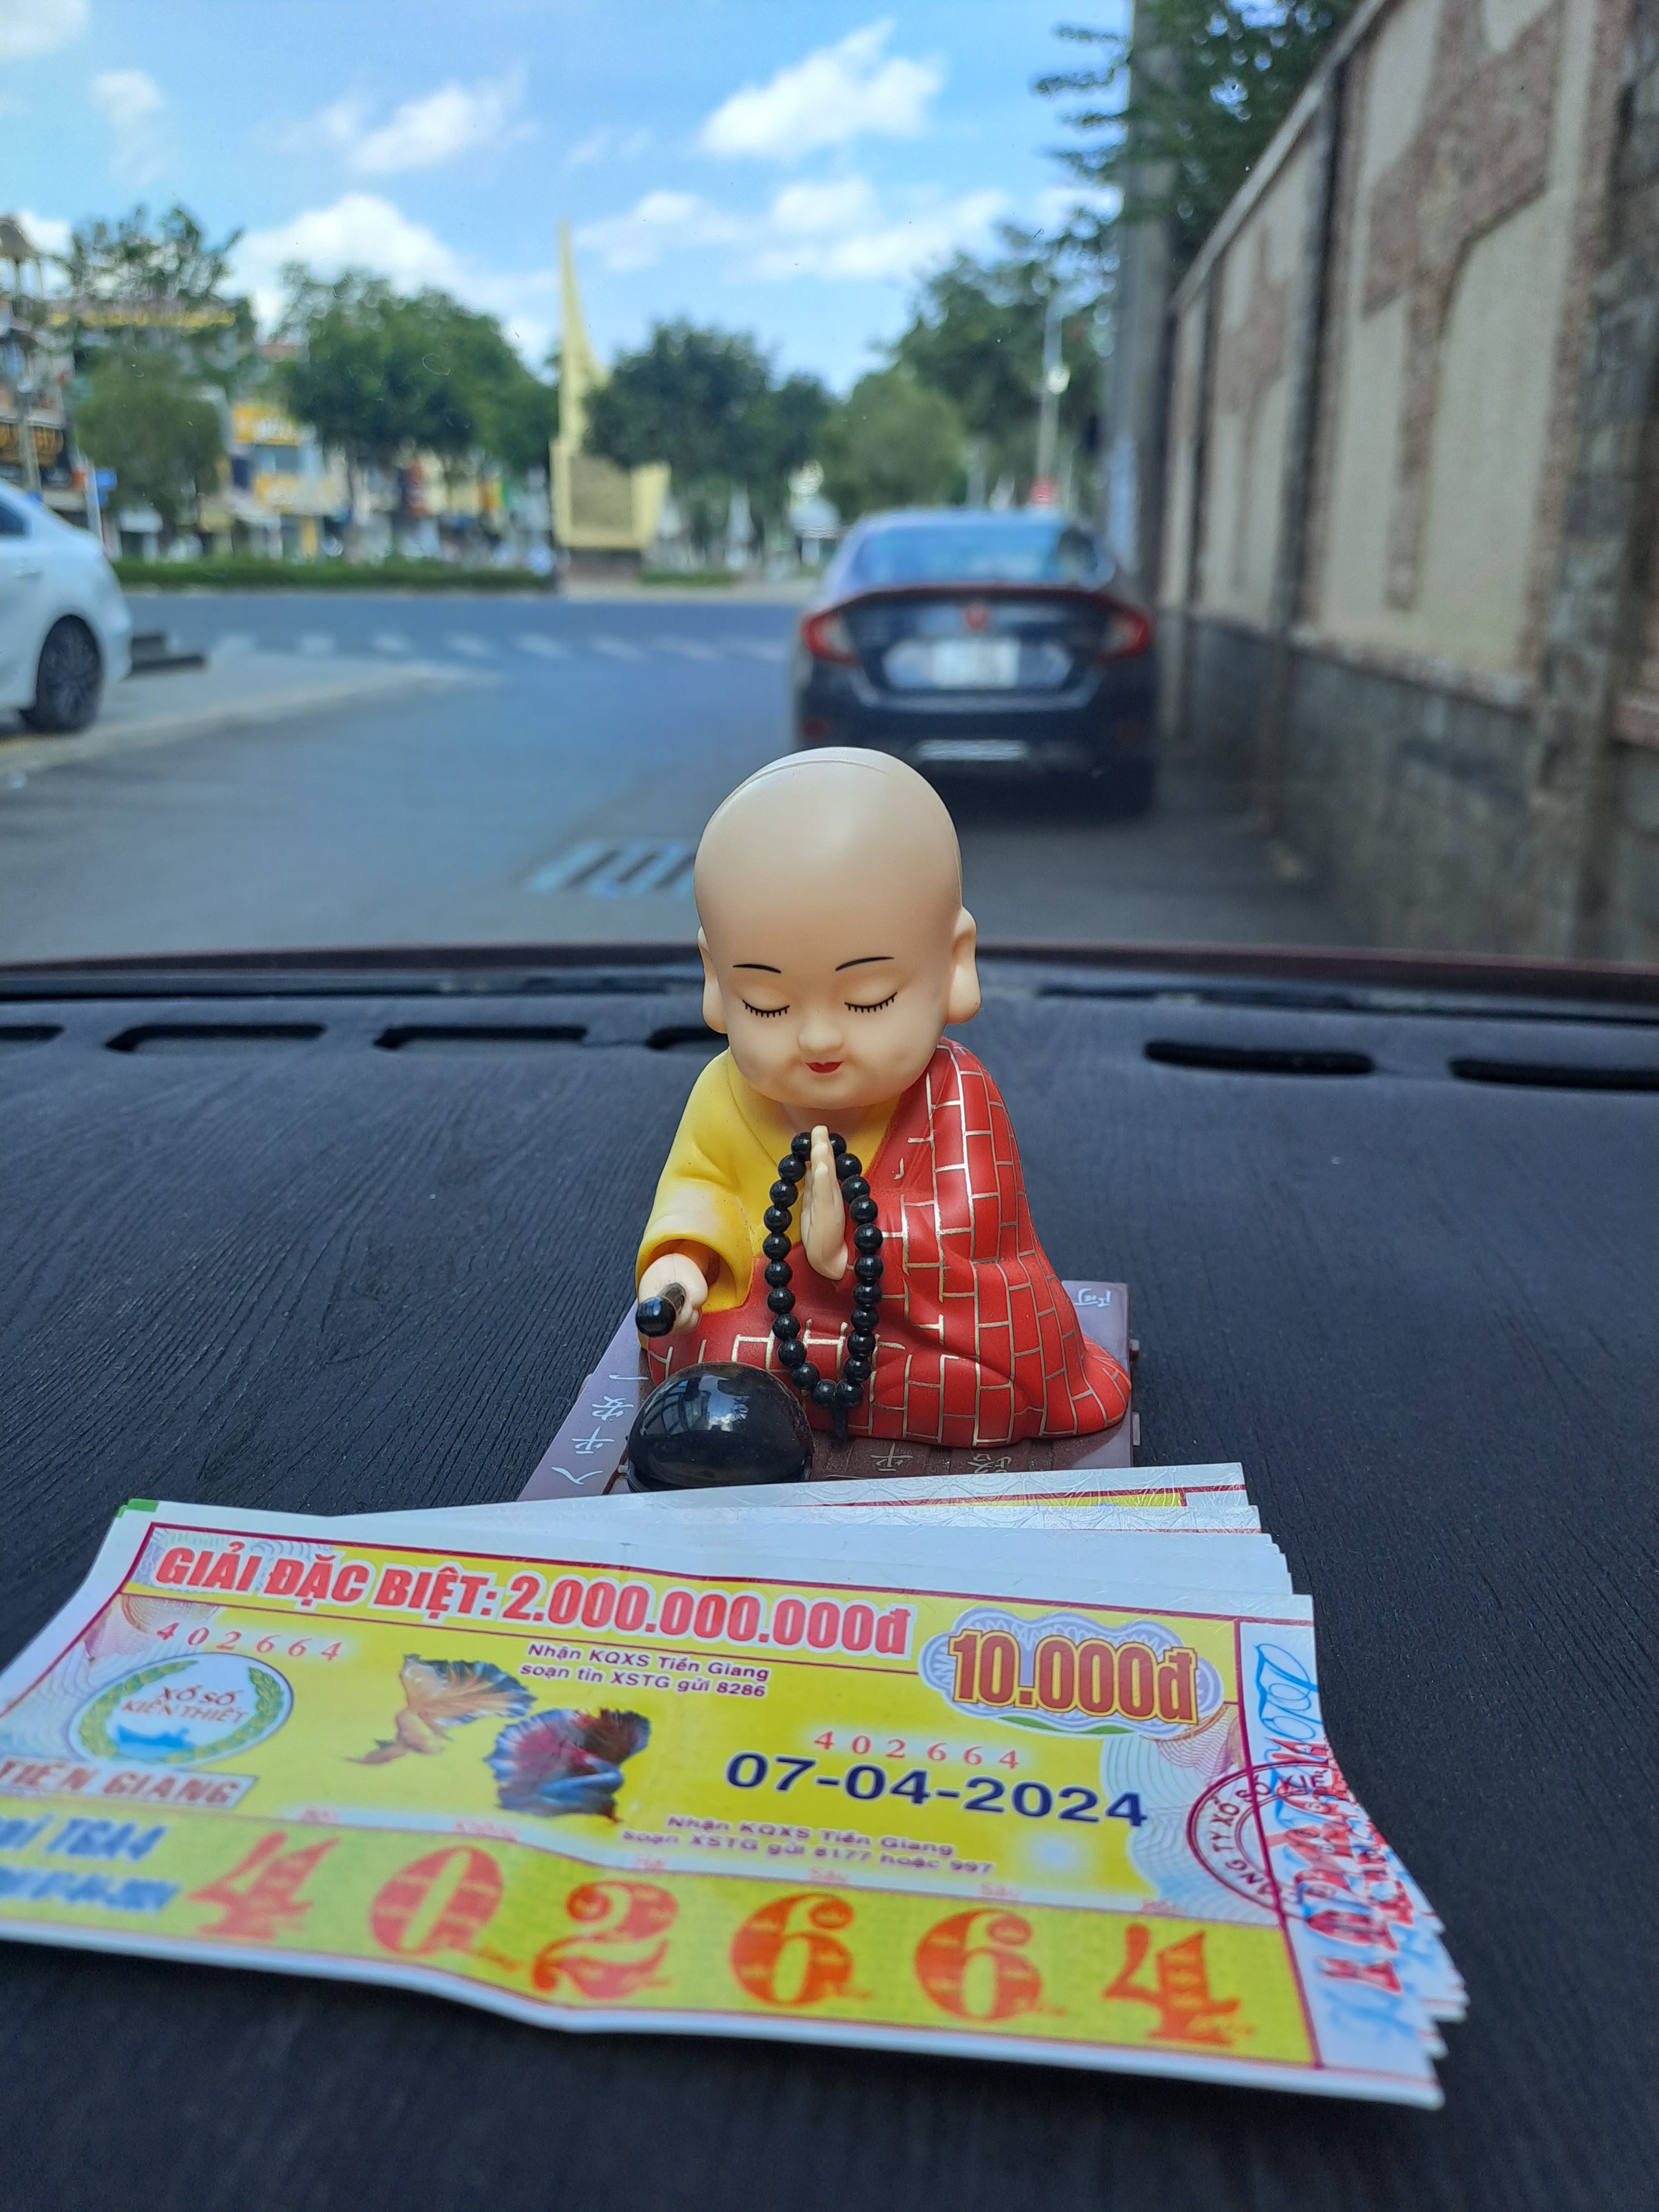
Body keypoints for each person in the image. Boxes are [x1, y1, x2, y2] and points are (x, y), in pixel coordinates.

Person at [635, 748, 1129, 1447]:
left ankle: (799, 1401)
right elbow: (701, 1190)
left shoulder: (955, 1093)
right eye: (767, 1004)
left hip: (906, 1329)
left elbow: (979, 1239)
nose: (817, 1036)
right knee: (697, 1350)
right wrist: (682, 1265)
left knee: (999, 1384)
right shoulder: (726, 1091)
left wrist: (855, 1249)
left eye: (867, 999)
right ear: (716, 981)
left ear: (955, 964)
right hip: (771, 1321)